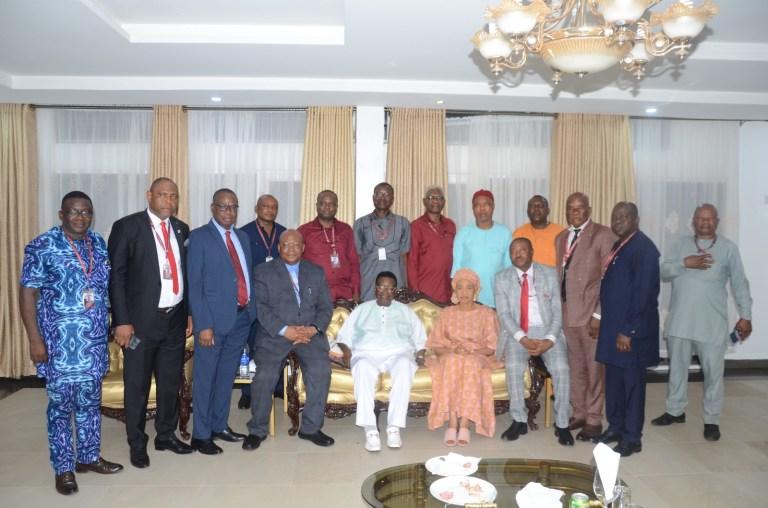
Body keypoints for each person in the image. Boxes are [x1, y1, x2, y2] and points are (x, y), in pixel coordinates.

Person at [20, 191, 123, 495]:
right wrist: (34, 339)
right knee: (61, 408)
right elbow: (28, 293)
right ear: (61, 215)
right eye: (74, 212)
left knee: (90, 403)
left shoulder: (98, 244)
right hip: (59, 344)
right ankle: (63, 467)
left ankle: (88, 457)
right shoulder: (43, 245)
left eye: (86, 212)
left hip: (92, 343)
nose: (81, 217)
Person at [108, 177, 193, 468]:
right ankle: (136, 442)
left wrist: (188, 312)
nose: (169, 200)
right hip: (139, 325)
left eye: (174, 195)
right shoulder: (127, 227)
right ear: (149, 196)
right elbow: (116, 277)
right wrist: (122, 321)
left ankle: (165, 435)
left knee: (170, 382)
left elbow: (184, 273)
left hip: (174, 320)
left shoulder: (181, 229)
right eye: (163, 194)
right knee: (137, 383)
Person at [652, 203, 752, 442]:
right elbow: (662, 272)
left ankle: (712, 420)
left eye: (709, 218)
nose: (705, 222)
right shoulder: (680, 245)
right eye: (700, 218)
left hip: (711, 324)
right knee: (677, 370)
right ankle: (675, 411)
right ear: (693, 221)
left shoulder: (728, 248)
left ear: (717, 222)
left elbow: (740, 283)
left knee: (713, 374)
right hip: (680, 322)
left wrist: (746, 316)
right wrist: (684, 263)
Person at [243, 230, 334, 450]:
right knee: (264, 376)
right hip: (275, 335)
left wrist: (313, 329)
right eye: (286, 245)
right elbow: (261, 308)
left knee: (321, 371)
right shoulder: (263, 271)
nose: (291, 249)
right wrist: (285, 330)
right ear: (279, 248)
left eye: (296, 245)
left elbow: (325, 307)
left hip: (308, 334)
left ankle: (310, 428)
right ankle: (257, 429)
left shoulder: (316, 271)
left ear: (303, 248)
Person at [187, 188, 257, 455]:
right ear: (213, 208)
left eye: (233, 207)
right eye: (223, 206)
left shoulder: (242, 237)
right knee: (206, 378)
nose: (229, 211)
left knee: (227, 377)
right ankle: (201, 434)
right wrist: (203, 324)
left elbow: (243, 275)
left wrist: (251, 311)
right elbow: (195, 285)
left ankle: (219, 425)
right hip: (213, 323)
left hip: (241, 318)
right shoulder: (199, 237)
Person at [333, 271, 427, 451]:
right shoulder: (361, 310)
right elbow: (344, 338)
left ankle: (394, 427)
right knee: (362, 367)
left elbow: (420, 338)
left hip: (398, 352)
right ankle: (370, 429)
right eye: (382, 287)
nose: (386, 292)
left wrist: (421, 355)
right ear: (375, 289)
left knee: (405, 365)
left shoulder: (405, 311)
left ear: (395, 291)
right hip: (366, 353)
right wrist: (346, 353)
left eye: (390, 288)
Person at [595, 203, 660, 457]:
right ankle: (616, 426)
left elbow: (644, 294)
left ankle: (632, 438)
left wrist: (628, 331)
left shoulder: (644, 249)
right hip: (613, 329)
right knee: (614, 383)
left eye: (624, 217)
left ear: (636, 219)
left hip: (631, 334)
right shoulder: (620, 245)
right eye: (615, 217)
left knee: (632, 386)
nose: (619, 221)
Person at [495, 238, 574, 446]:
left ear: (532, 251)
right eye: (513, 251)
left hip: (548, 330)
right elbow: (504, 315)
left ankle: (562, 423)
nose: (518, 254)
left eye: (522, 249)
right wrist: (522, 338)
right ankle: (519, 420)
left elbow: (557, 311)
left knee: (561, 368)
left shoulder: (549, 273)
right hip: (518, 332)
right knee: (513, 367)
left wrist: (549, 339)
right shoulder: (501, 278)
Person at [555, 192, 615, 441]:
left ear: (589, 209)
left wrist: (599, 314)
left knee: (594, 370)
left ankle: (593, 419)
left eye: (580, 208)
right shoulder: (561, 238)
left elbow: (609, 279)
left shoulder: (603, 235)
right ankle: (579, 412)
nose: (575, 212)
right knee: (575, 368)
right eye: (570, 208)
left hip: (591, 314)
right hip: (568, 313)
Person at [426, 269, 499, 446]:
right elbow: (436, 345)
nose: (464, 292)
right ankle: (452, 422)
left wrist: (473, 352)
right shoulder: (447, 313)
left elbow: (492, 347)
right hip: (451, 354)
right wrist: (453, 350)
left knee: (471, 363)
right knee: (452, 362)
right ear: (454, 291)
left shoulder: (486, 313)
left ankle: (465, 424)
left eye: (469, 288)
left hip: (477, 355)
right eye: (460, 287)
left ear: (476, 290)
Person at [238, 194, 287, 409]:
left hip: (277, 299)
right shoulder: (243, 233)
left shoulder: (284, 233)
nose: (269, 210)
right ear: (256, 208)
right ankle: (248, 391)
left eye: (273, 207)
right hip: (253, 297)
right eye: (265, 206)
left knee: (276, 343)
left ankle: (277, 386)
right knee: (250, 344)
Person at [452, 189, 512, 308]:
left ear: (493, 206)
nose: (482, 209)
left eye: (486, 204)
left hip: (496, 301)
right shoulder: (463, 233)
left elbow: (509, 271)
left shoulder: (505, 233)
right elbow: (456, 271)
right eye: (477, 205)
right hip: (469, 302)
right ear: (473, 208)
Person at [298, 189, 360, 302]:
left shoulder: (346, 230)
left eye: (331, 203)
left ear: (336, 207)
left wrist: (356, 291)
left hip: (344, 293)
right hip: (315, 293)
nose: (327, 206)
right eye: (323, 203)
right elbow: (296, 264)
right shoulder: (304, 231)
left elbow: (354, 262)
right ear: (317, 206)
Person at [354, 182, 410, 301]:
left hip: (396, 279)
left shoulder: (403, 223)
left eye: (386, 194)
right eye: (379, 194)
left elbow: (405, 257)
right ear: (373, 198)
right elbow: (357, 258)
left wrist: (406, 286)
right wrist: (355, 289)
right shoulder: (360, 223)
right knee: (368, 310)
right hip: (369, 280)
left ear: (393, 198)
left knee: (395, 310)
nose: (382, 198)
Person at [407, 186, 456, 304]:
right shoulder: (416, 226)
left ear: (444, 202)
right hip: (424, 290)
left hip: (446, 290)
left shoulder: (450, 225)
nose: (435, 201)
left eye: (439, 198)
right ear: (424, 201)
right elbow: (411, 262)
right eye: (431, 198)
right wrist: (415, 292)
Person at [513, 195, 565, 267]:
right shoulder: (519, 233)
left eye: (540, 206)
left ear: (548, 211)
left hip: (553, 273)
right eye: (533, 206)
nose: (536, 209)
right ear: (528, 211)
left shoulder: (561, 232)